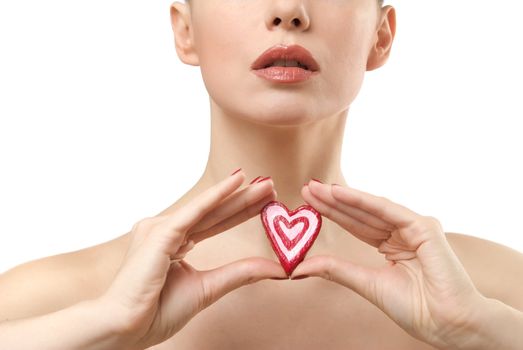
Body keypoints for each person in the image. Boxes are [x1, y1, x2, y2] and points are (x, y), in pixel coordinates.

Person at [1, 0, 522, 349]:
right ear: (185, 31)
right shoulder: (45, 301)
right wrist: (102, 326)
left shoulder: (496, 292)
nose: (288, 12)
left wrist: (484, 330)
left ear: (381, 36)